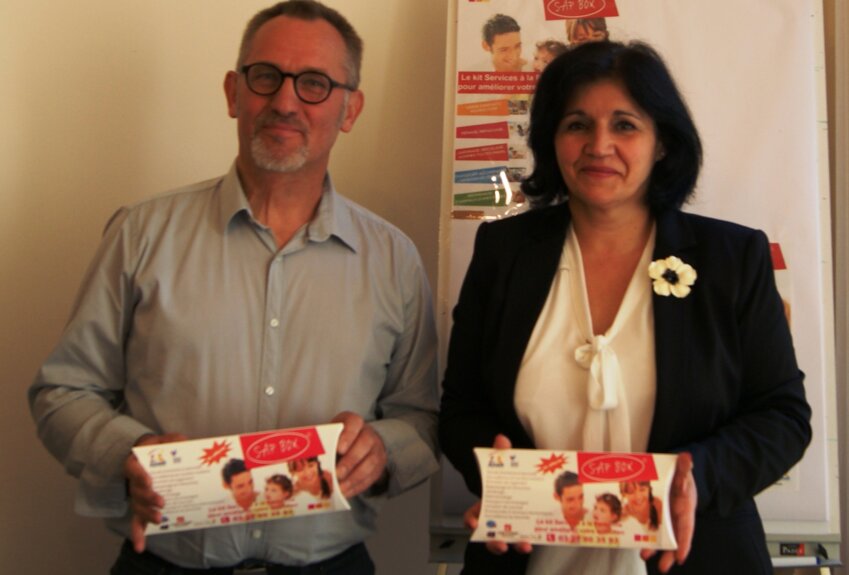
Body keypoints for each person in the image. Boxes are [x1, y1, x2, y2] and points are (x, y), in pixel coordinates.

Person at [27, 1, 439, 573]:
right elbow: (62, 392)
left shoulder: (392, 259)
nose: (285, 101)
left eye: (314, 83)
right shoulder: (141, 234)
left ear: (350, 109)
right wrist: (128, 453)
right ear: (233, 93)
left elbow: (421, 415)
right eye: (266, 76)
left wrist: (383, 450)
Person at [439, 40, 811, 575]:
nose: (599, 144)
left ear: (662, 143)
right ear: (552, 138)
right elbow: (462, 406)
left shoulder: (732, 258)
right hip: (527, 560)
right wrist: (496, 472)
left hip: (696, 557)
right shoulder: (504, 253)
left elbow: (782, 416)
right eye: (576, 124)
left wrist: (691, 480)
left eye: (625, 125)